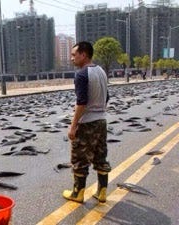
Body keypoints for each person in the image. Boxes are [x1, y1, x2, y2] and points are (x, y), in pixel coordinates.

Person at [63, 41, 111, 204]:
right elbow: (106, 97)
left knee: (80, 158)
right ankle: (102, 191)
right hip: (101, 121)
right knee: (100, 156)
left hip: (87, 124)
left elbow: (81, 102)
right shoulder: (101, 71)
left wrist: (73, 126)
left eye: (74, 55)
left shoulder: (82, 74)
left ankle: (78, 193)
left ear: (84, 55)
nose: (72, 58)